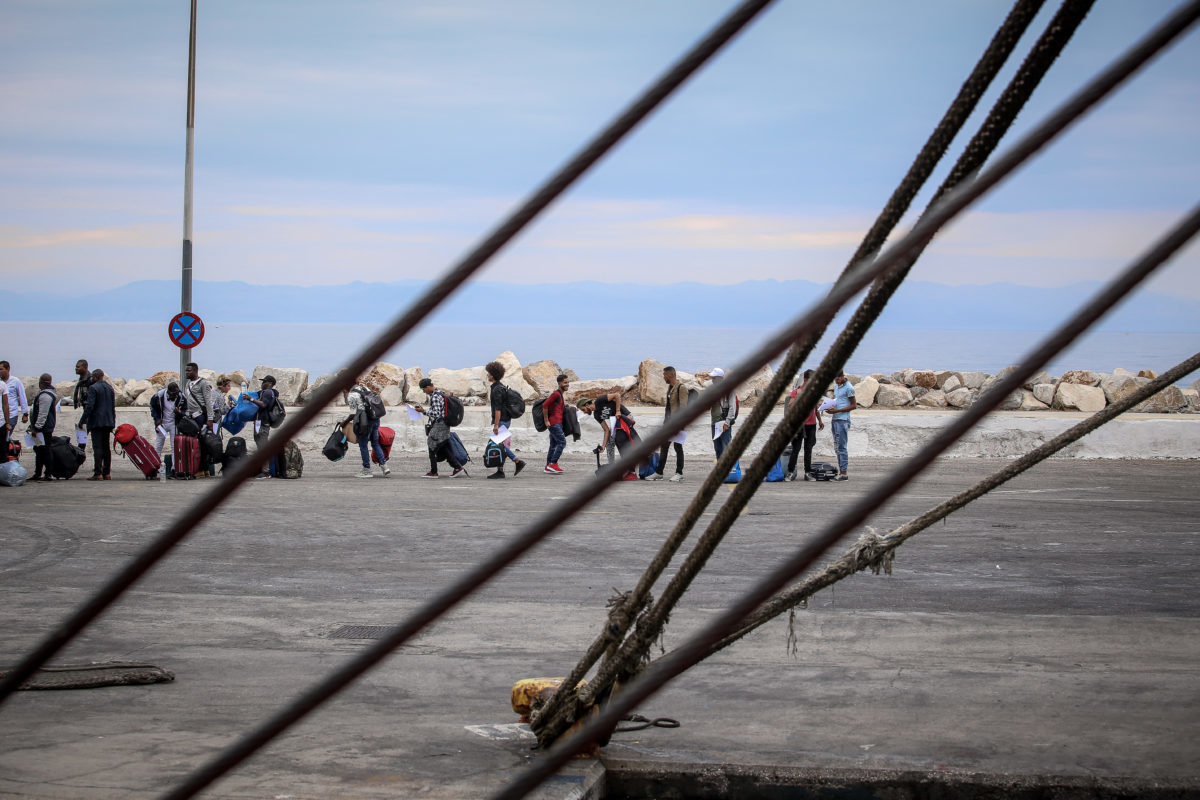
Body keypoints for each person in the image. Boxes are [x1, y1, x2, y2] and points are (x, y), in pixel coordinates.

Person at [576, 393, 640, 481]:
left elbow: (617, 395)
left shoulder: (600, 400)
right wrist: (603, 446)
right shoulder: (596, 415)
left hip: (624, 417)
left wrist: (618, 411)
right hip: (616, 422)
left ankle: (631, 472)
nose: (584, 412)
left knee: (622, 443)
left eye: (583, 409)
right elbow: (606, 430)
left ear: (587, 405)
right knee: (609, 444)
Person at [413, 377, 467, 478]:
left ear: (428, 387)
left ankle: (434, 472)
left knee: (432, 445)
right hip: (444, 424)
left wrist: (423, 411)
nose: (424, 392)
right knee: (443, 445)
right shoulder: (440, 393)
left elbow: (436, 413)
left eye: (424, 389)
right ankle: (457, 467)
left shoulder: (435, 397)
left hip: (440, 425)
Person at [484, 361, 526, 479]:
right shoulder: (501, 387)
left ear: (492, 374)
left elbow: (498, 410)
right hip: (505, 420)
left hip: (501, 421)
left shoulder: (497, 389)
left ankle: (517, 462)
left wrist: (496, 425)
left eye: (488, 373)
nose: (487, 375)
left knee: (498, 446)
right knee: (499, 445)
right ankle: (500, 470)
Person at [784, 369, 824, 481]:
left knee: (808, 449)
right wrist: (798, 395)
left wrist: (820, 421)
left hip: (812, 425)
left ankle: (808, 473)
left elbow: (815, 409)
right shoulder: (796, 391)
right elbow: (790, 406)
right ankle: (790, 472)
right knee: (795, 449)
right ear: (806, 380)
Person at [649, 365, 686, 482]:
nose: (663, 377)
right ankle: (659, 472)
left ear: (670, 375)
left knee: (678, 447)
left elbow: (684, 408)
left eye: (664, 375)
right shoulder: (670, 388)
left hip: (678, 423)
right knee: (664, 447)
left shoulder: (681, 388)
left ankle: (679, 473)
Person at [344, 382, 389, 478]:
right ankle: (384, 466)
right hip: (375, 418)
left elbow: (353, 413)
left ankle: (367, 469)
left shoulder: (352, 395)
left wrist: (345, 422)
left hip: (364, 422)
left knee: (363, 445)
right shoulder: (364, 388)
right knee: (375, 443)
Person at [696, 368, 738, 458]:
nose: (712, 380)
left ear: (719, 378)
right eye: (712, 378)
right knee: (717, 448)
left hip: (724, 423)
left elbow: (732, 408)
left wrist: (727, 423)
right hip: (714, 423)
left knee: (725, 447)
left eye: (714, 378)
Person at [82, 368, 115, 480]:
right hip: (108, 421)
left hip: (97, 422)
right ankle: (107, 472)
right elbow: (112, 407)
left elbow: (90, 406)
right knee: (106, 447)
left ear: (95, 377)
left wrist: (83, 420)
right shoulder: (110, 388)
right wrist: (112, 422)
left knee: (97, 447)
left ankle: (98, 473)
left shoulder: (93, 388)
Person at [150, 382, 183, 479]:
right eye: (174, 394)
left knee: (174, 447)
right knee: (158, 446)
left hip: (174, 424)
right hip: (162, 424)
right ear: (168, 392)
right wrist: (157, 419)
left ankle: (174, 469)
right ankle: (154, 468)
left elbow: (185, 409)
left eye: (177, 393)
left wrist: (180, 413)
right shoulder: (158, 396)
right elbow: (152, 408)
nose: (176, 395)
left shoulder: (180, 397)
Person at [28, 373, 57, 482]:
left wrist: (36, 428)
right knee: (38, 450)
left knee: (45, 450)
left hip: (43, 429)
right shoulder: (49, 394)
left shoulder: (45, 395)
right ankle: (38, 473)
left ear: (41, 382)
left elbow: (42, 414)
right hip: (43, 427)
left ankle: (48, 473)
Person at [248, 375, 278, 478]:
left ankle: (265, 472)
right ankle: (262, 470)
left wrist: (251, 399)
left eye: (264, 382)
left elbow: (263, 404)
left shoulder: (268, 392)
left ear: (270, 383)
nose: (262, 384)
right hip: (259, 423)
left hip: (263, 424)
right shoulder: (266, 393)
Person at [829, 370, 856, 481]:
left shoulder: (849, 388)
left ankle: (844, 473)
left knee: (841, 447)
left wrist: (838, 410)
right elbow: (838, 400)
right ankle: (841, 471)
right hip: (835, 419)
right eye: (835, 379)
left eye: (838, 378)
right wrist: (829, 406)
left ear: (842, 377)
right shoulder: (837, 385)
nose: (836, 381)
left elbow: (854, 405)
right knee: (837, 447)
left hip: (843, 420)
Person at [542, 374, 569, 474]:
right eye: (565, 382)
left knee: (553, 445)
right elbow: (545, 405)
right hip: (554, 424)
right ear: (559, 383)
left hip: (558, 423)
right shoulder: (556, 394)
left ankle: (548, 466)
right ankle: (553, 463)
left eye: (567, 382)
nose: (567, 384)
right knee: (562, 443)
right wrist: (546, 420)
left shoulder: (560, 395)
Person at [0, 360, 29, 433]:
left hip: (12, 414)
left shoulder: (16, 381)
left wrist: (25, 413)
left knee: (6, 435)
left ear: (8, 369)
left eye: (1, 369)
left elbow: (22, 397)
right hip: (1, 415)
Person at [72, 359, 91, 451]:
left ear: (85, 367)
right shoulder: (82, 379)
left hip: (90, 411)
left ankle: (79, 452)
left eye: (78, 367)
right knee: (82, 434)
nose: (76, 368)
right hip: (86, 409)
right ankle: (80, 451)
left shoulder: (90, 380)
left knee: (82, 432)